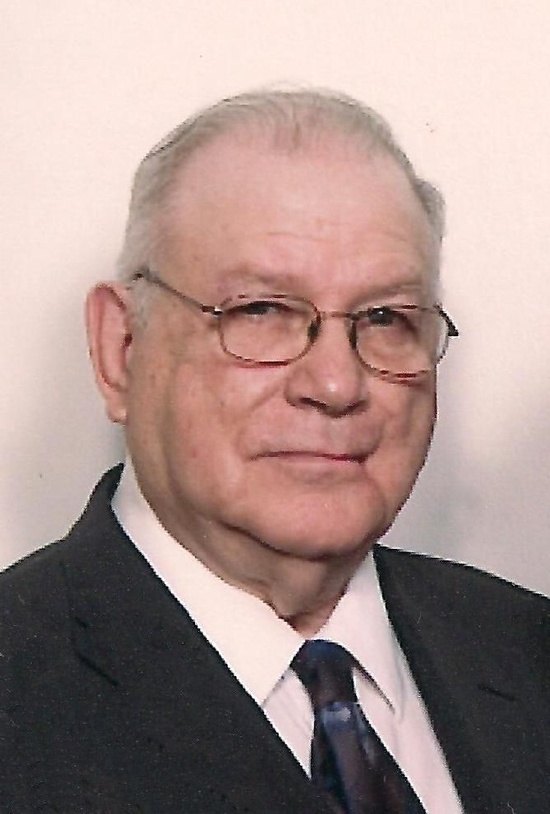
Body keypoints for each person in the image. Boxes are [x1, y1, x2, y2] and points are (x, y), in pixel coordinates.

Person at [1, 89, 548, 814]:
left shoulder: (528, 651)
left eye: (386, 318)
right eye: (261, 311)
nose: (336, 383)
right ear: (121, 349)